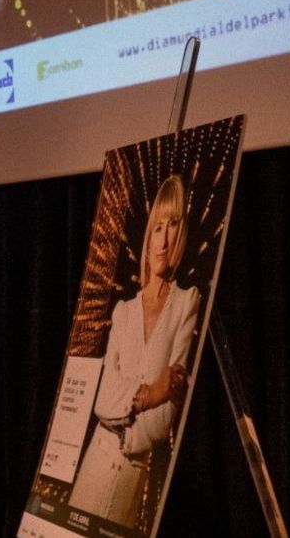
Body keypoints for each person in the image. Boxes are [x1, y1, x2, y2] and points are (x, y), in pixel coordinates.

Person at [68, 175, 200, 527]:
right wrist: (148, 393)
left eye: (174, 225)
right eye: (158, 227)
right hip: (95, 463)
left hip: (132, 473)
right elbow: (100, 400)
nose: (164, 238)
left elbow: (164, 418)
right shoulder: (123, 311)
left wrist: (133, 406)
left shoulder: (187, 302)